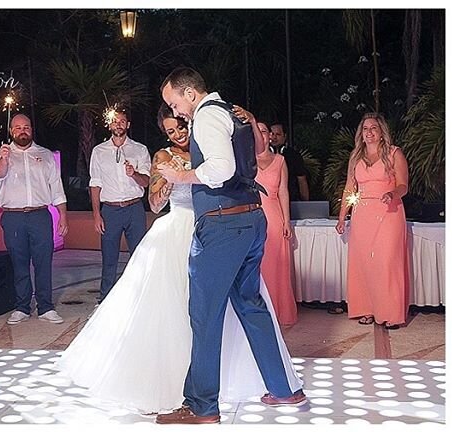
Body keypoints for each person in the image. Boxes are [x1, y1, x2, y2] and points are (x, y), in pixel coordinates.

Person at [56, 105, 302, 414]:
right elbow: (157, 204)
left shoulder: (211, 146)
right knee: (179, 310)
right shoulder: (162, 157)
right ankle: (181, 386)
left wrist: (250, 122)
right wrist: (171, 177)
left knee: (222, 310)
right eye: (171, 131)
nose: (178, 135)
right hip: (178, 231)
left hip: (216, 230)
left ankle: (232, 386)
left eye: (180, 127)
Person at [157, 67, 306, 424]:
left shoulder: (207, 116)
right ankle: (285, 389)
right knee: (250, 305)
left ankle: (201, 405)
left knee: (205, 314)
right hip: (252, 219)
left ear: (190, 93)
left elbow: (221, 169)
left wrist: (181, 176)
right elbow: (252, 156)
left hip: (224, 226)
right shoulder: (229, 112)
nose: (175, 111)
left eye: (174, 102)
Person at [0, 114, 68, 325]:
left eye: (26, 127)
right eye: (17, 127)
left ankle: (45, 307)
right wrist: (4, 159)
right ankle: (22, 306)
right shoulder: (0, 154)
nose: (22, 130)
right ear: (11, 131)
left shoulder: (45, 154)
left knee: (44, 261)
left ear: (31, 129)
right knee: (19, 262)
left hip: (40, 215)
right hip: (13, 216)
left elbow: (57, 187)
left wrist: (63, 216)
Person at [335, 113, 409, 330]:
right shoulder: (356, 157)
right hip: (362, 214)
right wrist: (342, 216)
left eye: (373, 128)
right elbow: (350, 188)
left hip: (389, 212)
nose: (369, 132)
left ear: (381, 131)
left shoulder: (394, 153)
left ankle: (390, 314)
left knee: (386, 262)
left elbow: (403, 185)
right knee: (364, 262)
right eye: (365, 129)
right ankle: (366, 309)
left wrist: (392, 194)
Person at [89, 108, 151, 303]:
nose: (118, 124)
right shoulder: (99, 151)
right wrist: (97, 214)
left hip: (134, 208)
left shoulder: (139, 149)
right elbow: (95, 183)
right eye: (115, 121)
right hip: (111, 210)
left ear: (128, 125)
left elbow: (146, 182)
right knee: (109, 258)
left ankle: (140, 298)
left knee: (139, 255)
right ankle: (105, 299)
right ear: (109, 125)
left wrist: (134, 173)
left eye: (122, 121)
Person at [256, 121, 297, 326]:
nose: (262, 135)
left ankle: (279, 310)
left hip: (273, 215)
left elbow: (283, 191)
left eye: (265, 131)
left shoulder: (280, 160)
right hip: (252, 215)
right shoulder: (244, 159)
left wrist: (287, 221)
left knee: (275, 264)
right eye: (258, 131)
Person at [269, 123, 310, 201]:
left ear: (284, 136)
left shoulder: (294, 156)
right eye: (272, 134)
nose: (274, 137)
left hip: (291, 200)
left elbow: (301, 180)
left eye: (278, 134)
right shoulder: (262, 155)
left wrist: (305, 203)